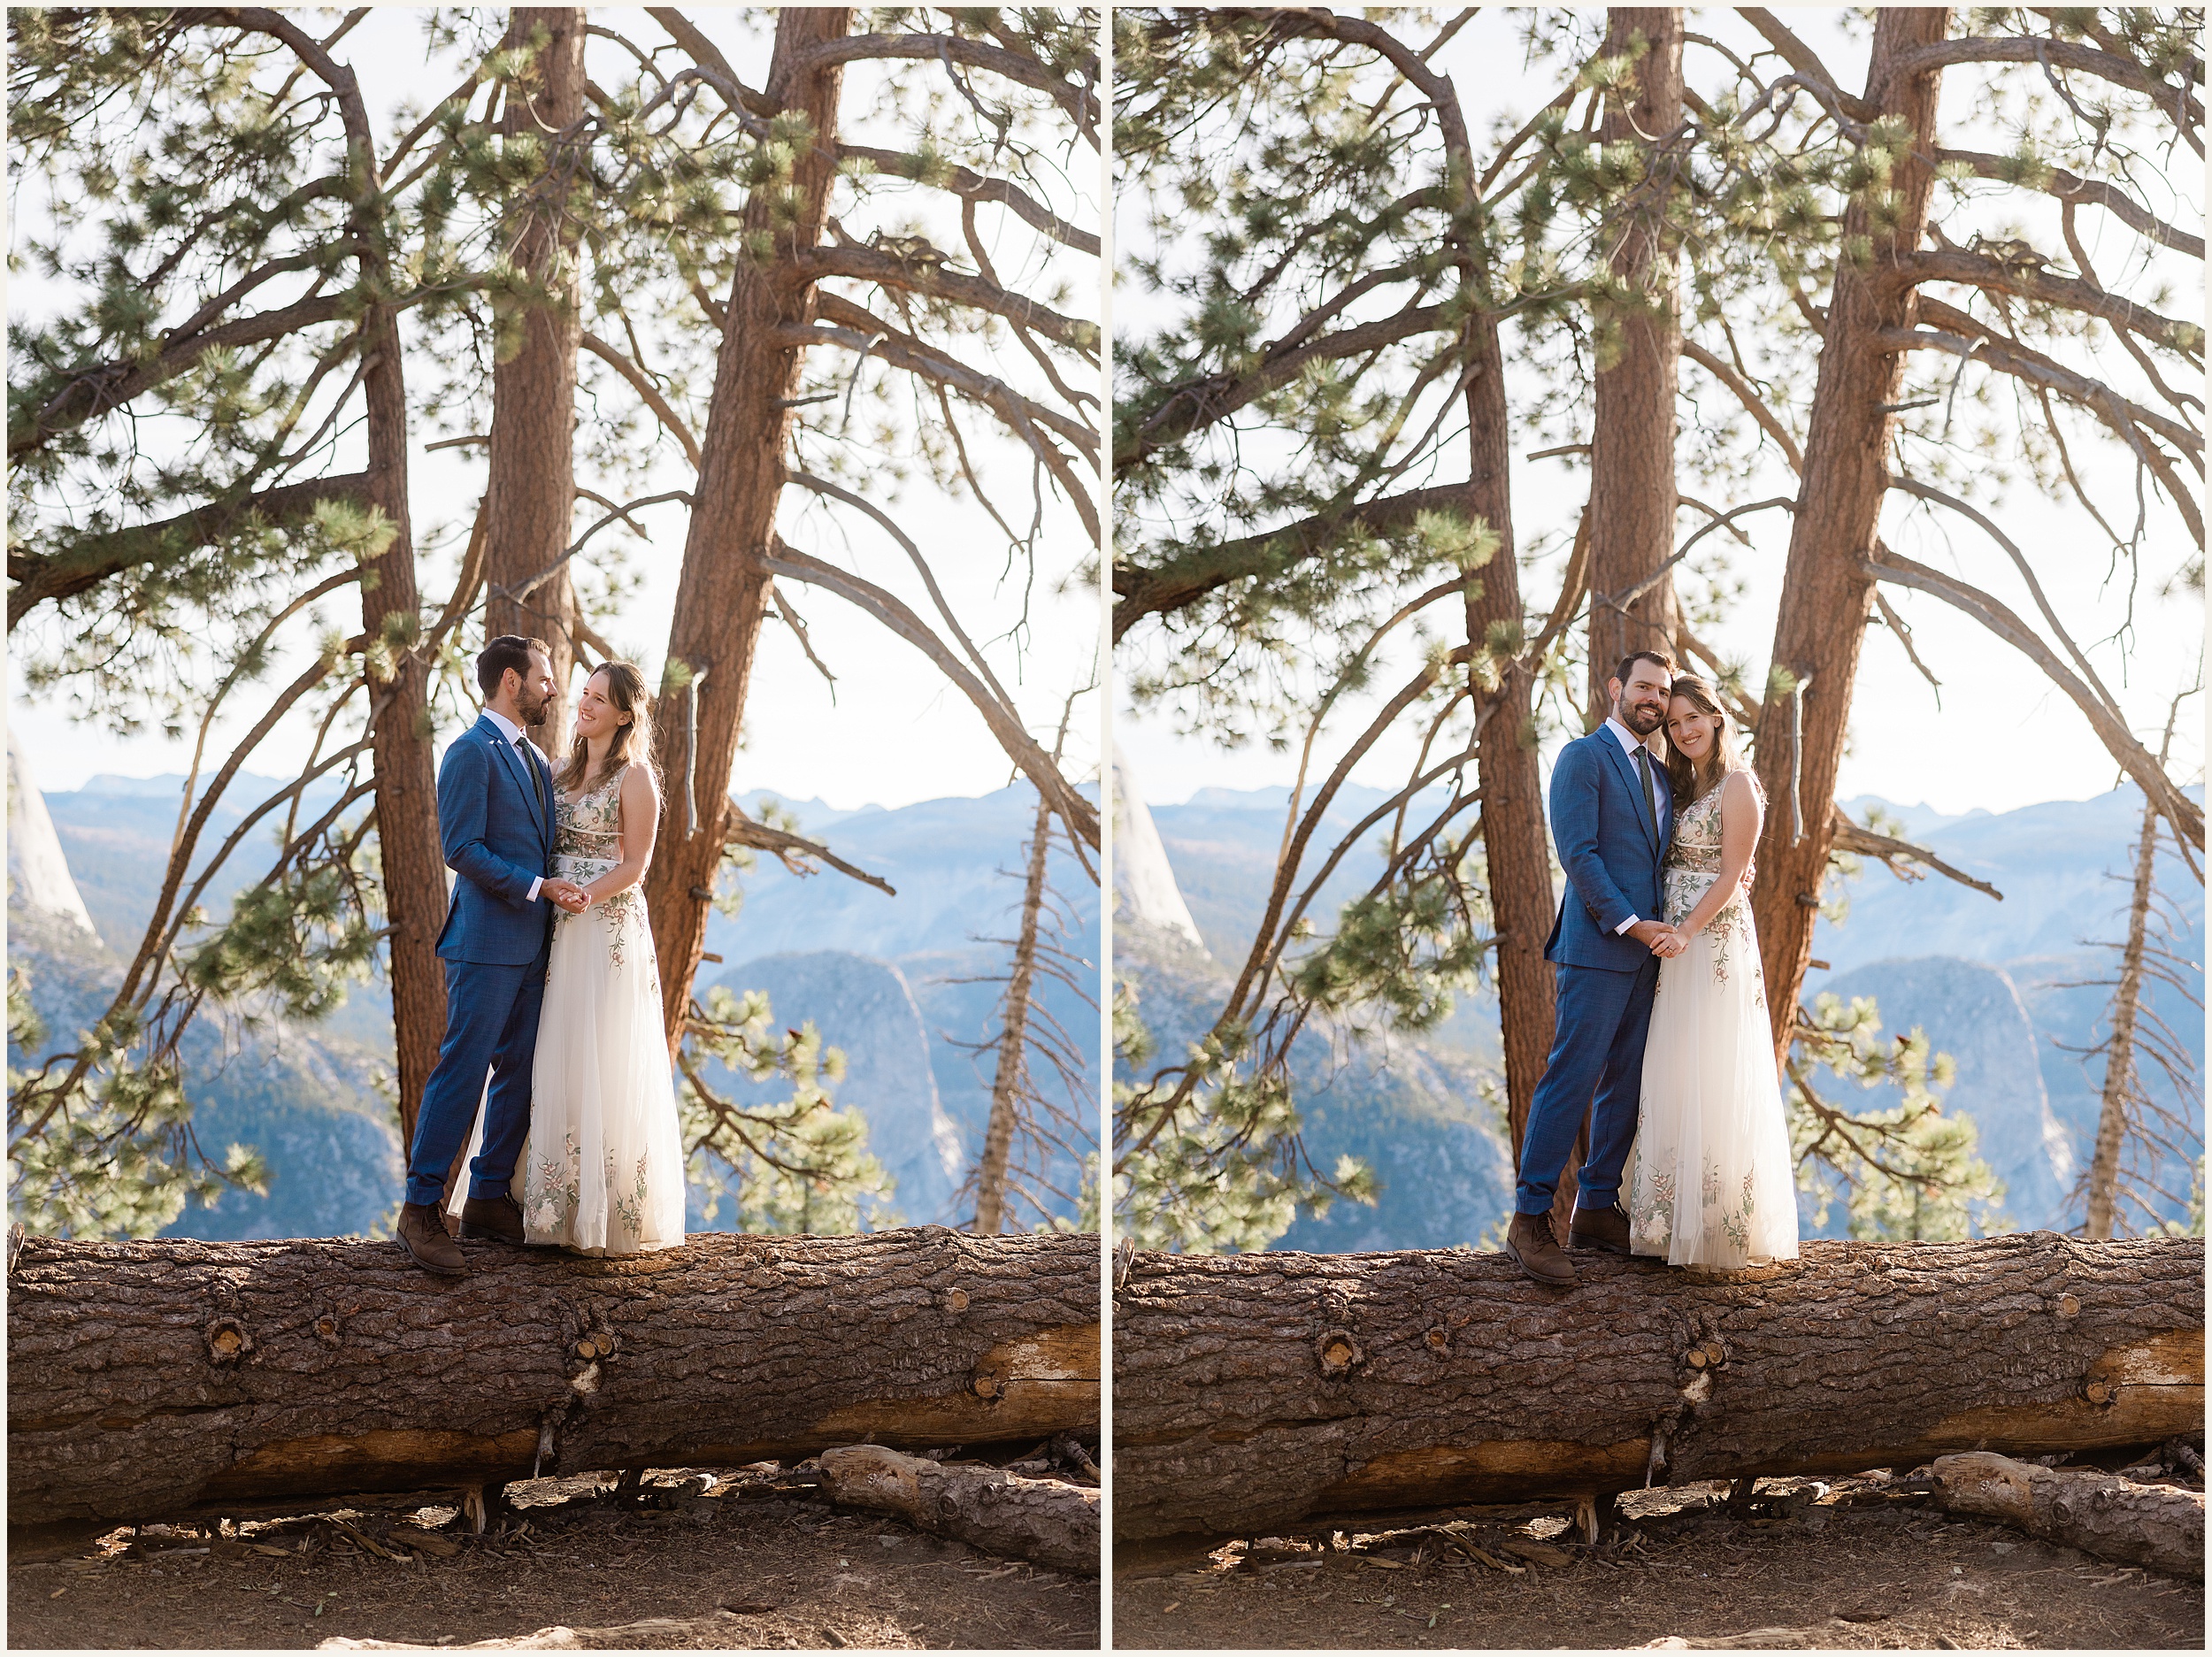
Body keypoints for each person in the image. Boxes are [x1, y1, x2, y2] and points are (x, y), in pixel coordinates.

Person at [449, 661, 687, 1255]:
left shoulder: (636, 779)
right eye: (583, 694)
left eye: (599, 699)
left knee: (596, 1053)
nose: (584, 705)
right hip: (551, 924)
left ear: (626, 715)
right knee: (544, 1052)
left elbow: (637, 865)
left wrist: (587, 895)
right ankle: (536, 1201)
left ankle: (597, 1211)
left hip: (603, 929)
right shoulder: (555, 771)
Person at [396, 637, 588, 1275]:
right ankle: (421, 1209)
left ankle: (485, 1196)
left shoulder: (534, 758)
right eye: (545, 678)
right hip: (483, 943)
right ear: (512, 681)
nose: (552, 689)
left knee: (521, 1071)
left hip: (534, 944)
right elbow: (462, 848)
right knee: (464, 1070)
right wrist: (538, 887)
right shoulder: (468, 752)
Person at [1505, 649, 1685, 1288]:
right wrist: (1630, 923)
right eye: (1644, 686)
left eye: (1663, 692)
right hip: (1597, 949)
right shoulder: (1583, 756)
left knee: (1628, 1084)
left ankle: (1597, 1208)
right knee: (1571, 1081)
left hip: (1649, 960)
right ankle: (1529, 1219)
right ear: (1616, 688)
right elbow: (1579, 855)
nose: (1654, 700)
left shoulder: (1662, 777)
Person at [1626, 675, 1800, 1270]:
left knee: (1714, 1061)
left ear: (1717, 717)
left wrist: (1686, 931)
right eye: (1674, 724)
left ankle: (1718, 1220)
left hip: (1711, 938)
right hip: (1673, 937)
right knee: (1672, 1061)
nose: (1683, 730)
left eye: (1692, 718)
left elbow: (1732, 876)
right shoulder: (1681, 782)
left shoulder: (1739, 785)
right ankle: (1668, 1216)